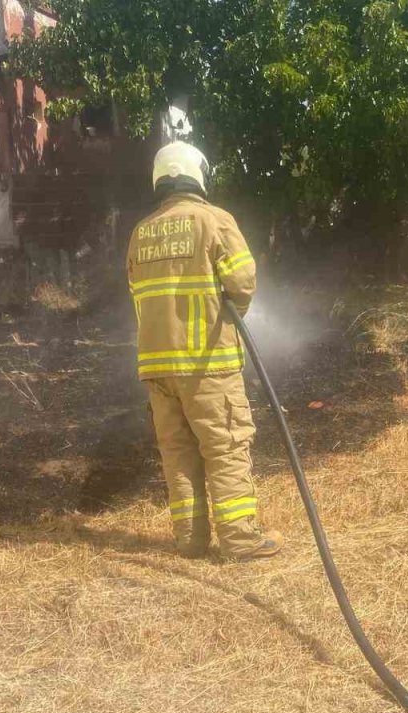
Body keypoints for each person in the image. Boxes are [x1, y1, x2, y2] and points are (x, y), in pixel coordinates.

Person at [126, 141, 283, 562]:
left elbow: (136, 294)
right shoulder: (213, 220)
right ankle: (240, 539)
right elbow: (243, 282)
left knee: (178, 453)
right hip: (206, 362)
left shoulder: (140, 233)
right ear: (198, 174)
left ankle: (191, 541)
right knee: (225, 446)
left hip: (157, 367)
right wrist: (230, 310)